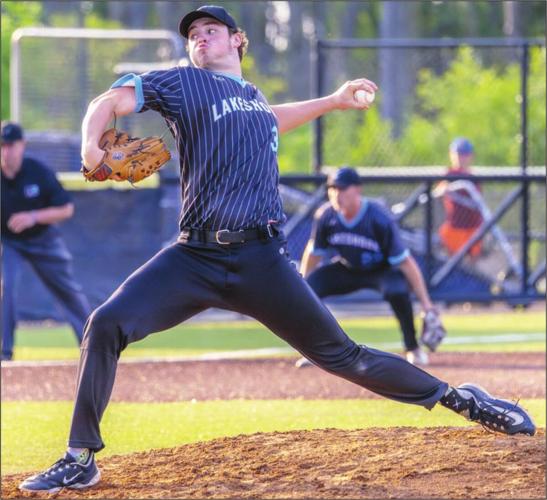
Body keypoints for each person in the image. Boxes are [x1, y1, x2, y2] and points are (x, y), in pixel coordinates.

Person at [19, 5, 535, 494]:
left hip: (262, 260)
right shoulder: (183, 82)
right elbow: (104, 103)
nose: (199, 37)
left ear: (238, 40)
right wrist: (91, 146)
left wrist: (333, 101)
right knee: (105, 324)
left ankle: (462, 400)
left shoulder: (252, 101)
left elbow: (270, 117)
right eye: (193, 33)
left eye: (211, 30)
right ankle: (81, 457)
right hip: (194, 256)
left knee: (344, 357)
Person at [296, 167, 443, 368]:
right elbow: (313, 253)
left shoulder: (378, 217)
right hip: (347, 268)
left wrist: (427, 305)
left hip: (381, 271)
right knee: (309, 290)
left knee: (398, 291)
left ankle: (413, 348)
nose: (336, 195)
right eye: (332, 189)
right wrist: (302, 286)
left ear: (357, 190)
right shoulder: (326, 216)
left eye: (342, 189)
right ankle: (315, 352)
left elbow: (406, 262)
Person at [1, 121, 91, 361]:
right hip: (9, 243)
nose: (6, 151)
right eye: (2, 145)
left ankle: (93, 345)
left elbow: (66, 209)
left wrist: (33, 217)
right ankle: (4, 352)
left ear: (22, 145)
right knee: (5, 288)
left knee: (68, 291)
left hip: (43, 240)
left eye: (11, 145)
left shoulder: (37, 171)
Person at [436, 138, 483, 258]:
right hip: (454, 226)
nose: (460, 158)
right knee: (451, 259)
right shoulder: (449, 174)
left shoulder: (473, 177)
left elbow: (478, 202)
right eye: (457, 154)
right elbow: (439, 190)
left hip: (473, 227)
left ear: (470, 156)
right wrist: (445, 189)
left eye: (464, 154)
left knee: (472, 262)